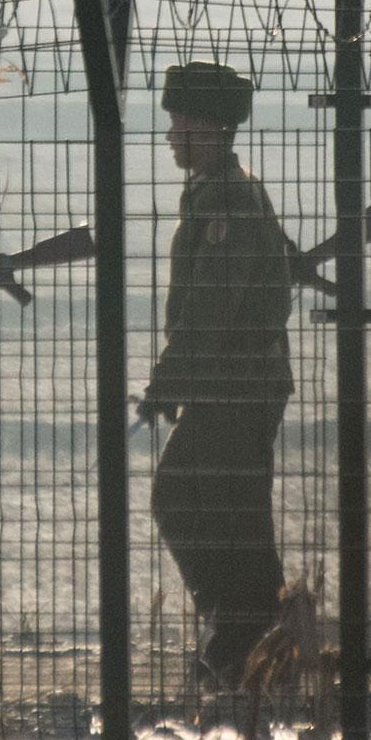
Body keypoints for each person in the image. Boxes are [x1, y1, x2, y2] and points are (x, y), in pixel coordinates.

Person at [140, 61, 295, 687]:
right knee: (239, 514)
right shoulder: (227, 187)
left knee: (178, 498)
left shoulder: (224, 195)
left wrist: (168, 381)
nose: (172, 134)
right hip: (241, 380)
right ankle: (257, 645)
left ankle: (236, 633)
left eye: (180, 123)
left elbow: (211, 303)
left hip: (233, 381)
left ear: (207, 128)